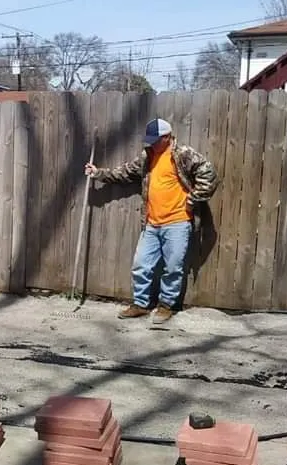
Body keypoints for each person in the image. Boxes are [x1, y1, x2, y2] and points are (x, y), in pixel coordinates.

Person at [84, 118, 219, 322]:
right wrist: (98, 173)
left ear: (167, 137)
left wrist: (193, 199)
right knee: (141, 265)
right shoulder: (148, 156)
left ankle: (166, 306)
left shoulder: (183, 154)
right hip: (152, 223)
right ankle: (141, 304)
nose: (151, 143)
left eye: (155, 140)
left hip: (178, 222)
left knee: (173, 267)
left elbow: (209, 174)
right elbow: (125, 173)